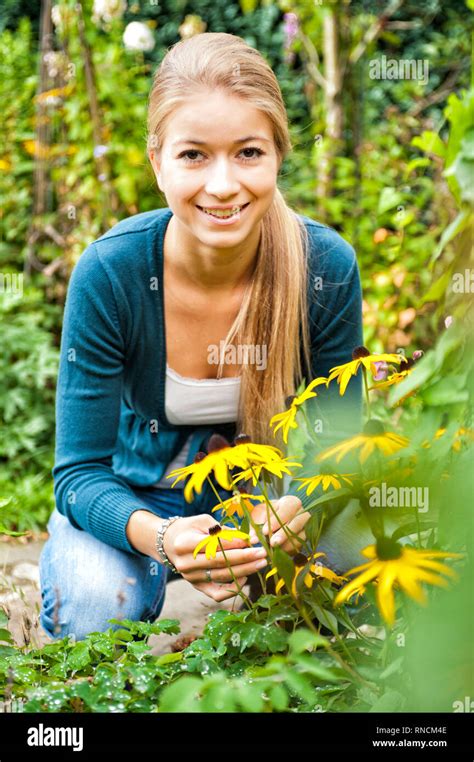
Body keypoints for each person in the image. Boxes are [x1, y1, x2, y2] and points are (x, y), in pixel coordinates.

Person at [39, 32, 363, 642]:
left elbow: (339, 450)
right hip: (143, 498)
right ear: (157, 160)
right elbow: (78, 472)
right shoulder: (112, 273)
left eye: (247, 153)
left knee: (365, 581)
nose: (222, 185)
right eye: (193, 155)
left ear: (277, 157)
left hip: (277, 499)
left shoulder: (325, 268)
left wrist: (287, 519)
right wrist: (163, 539)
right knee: (90, 606)